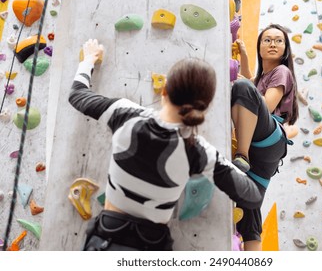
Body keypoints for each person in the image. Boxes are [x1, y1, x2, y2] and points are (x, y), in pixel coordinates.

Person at [69, 39, 264, 251]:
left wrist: (89, 58)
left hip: (108, 239)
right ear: (204, 108)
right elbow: (252, 196)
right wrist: (219, 162)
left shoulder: (125, 114)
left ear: (164, 91)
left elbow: (77, 95)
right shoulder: (199, 152)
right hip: (151, 246)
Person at [230, 24, 298, 251]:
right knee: (248, 203)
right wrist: (246, 59)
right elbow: (252, 81)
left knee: (241, 87)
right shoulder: (263, 77)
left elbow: (265, 105)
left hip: (267, 140)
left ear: (285, 49)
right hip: (265, 156)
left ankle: (242, 153)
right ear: (260, 46)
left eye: (279, 41)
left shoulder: (282, 72)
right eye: (267, 40)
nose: (273, 44)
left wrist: (245, 83)